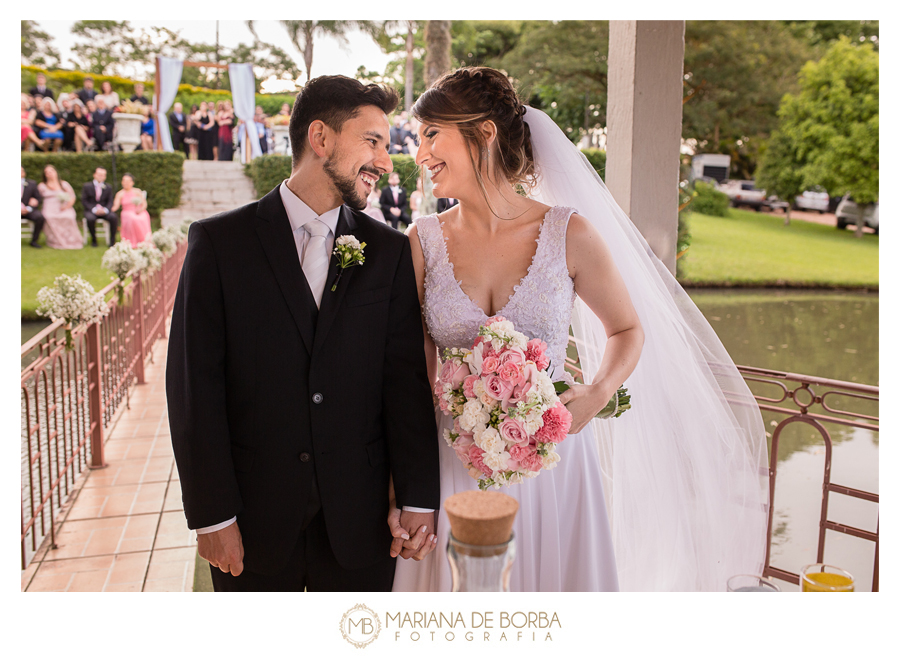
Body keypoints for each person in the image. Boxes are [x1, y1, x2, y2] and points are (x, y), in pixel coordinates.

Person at [391, 67, 769, 592]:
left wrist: (597, 391)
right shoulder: (421, 240)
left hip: (552, 467)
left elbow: (628, 328)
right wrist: (403, 491)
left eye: (432, 133)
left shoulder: (568, 233)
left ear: (483, 133)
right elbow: (408, 374)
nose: (419, 153)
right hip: (452, 461)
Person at [166, 74, 441, 592]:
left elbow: (404, 385)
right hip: (252, 524)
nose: (386, 161)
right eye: (372, 141)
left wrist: (418, 499)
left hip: (362, 526)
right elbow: (193, 390)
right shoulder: (219, 244)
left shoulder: (387, 252)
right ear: (320, 138)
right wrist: (212, 517)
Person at [37, 165, 82, 249]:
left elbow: (72, 197)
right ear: (45, 175)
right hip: (49, 208)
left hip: (64, 207)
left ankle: (70, 240)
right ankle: (55, 240)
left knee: (69, 216)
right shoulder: (42, 186)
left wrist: (67, 206)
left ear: (56, 172)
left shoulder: (64, 184)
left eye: (51, 171)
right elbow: (37, 198)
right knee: (49, 217)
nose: (50, 174)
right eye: (47, 172)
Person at [81, 167, 119, 247]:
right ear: (94, 175)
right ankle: (94, 240)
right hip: (91, 210)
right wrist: (94, 209)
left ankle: (112, 242)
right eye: (99, 175)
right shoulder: (87, 186)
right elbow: (84, 201)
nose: (101, 177)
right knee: (90, 219)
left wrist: (105, 210)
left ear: (105, 177)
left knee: (113, 217)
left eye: (103, 175)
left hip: (104, 211)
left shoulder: (108, 187)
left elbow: (110, 201)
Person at [112, 174, 151, 247]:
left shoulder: (137, 191)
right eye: (124, 181)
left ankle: (143, 240)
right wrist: (109, 210)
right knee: (132, 218)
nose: (126, 183)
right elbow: (115, 206)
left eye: (128, 181)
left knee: (143, 216)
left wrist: (140, 210)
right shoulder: (120, 194)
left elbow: (144, 204)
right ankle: (132, 241)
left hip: (139, 211)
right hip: (127, 213)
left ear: (132, 182)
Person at [21, 166, 45, 248]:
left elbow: (38, 198)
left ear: (24, 173)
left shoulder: (32, 184)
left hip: (28, 210)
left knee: (40, 217)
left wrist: (29, 208)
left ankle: (34, 241)